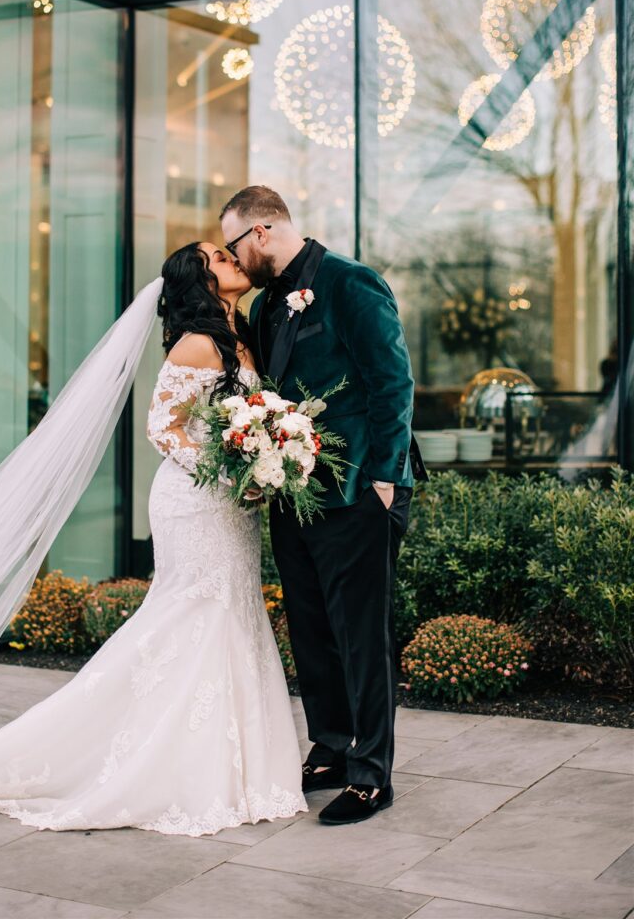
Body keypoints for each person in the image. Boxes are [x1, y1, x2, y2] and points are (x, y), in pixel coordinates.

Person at [0, 243, 306, 838]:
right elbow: (163, 428)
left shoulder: (240, 335)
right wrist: (228, 473)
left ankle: (233, 766)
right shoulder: (197, 344)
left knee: (232, 613)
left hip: (232, 509)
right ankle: (163, 762)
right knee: (193, 614)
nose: (232, 258)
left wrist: (256, 467)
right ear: (200, 281)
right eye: (217, 257)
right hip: (194, 503)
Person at [220, 185, 428, 826]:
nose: (234, 260)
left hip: (360, 488)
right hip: (294, 493)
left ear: (260, 232)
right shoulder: (266, 304)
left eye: (233, 246)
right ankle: (332, 748)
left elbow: (392, 382)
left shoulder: (349, 282)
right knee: (312, 631)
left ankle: (371, 774)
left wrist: (386, 478)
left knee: (361, 635)